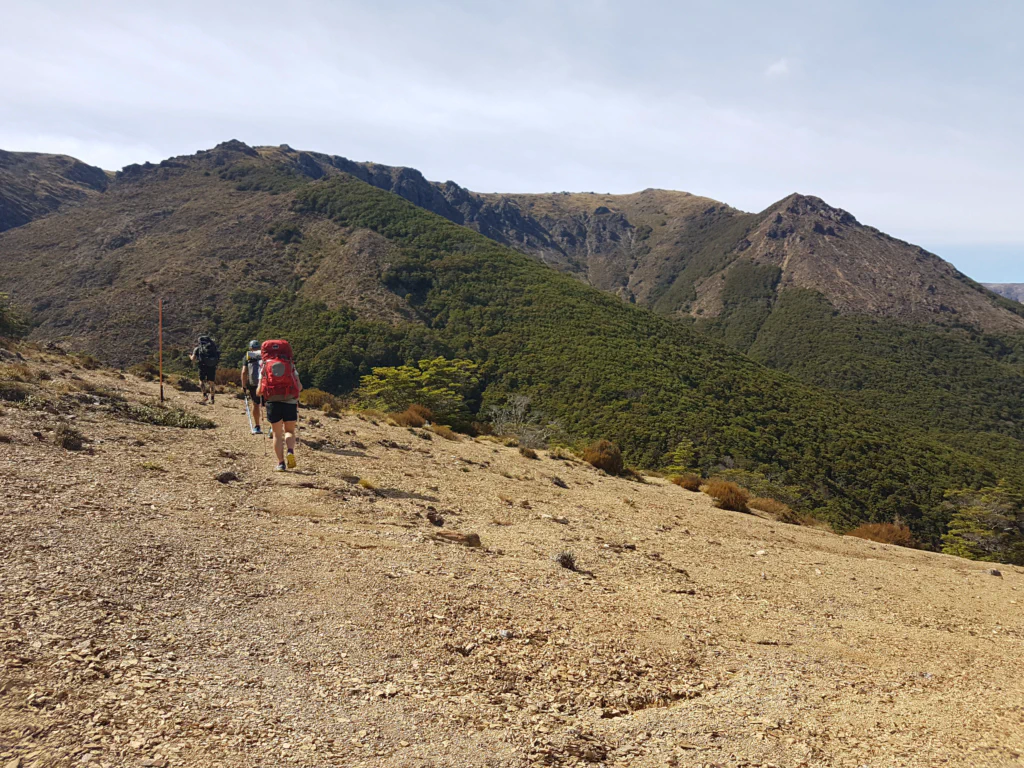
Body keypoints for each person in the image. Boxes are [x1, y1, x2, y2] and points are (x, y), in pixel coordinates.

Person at [256, 339, 302, 471]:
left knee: (277, 434)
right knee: (289, 431)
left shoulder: (264, 365)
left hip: (272, 402)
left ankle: (281, 463)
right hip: (290, 401)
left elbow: (259, 391)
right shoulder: (290, 365)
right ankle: (290, 451)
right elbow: (299, 386)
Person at [240, 340, 263, 435]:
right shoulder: (265, 355)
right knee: (269, 405)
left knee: (255, 404)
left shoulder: (248, 356)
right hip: (266, 383)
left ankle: (257, 426)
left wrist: (244, 385)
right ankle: (272, 428)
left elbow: (244, 372)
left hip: (254, 384)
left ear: (250, 348)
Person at [189, 335, 220, 404]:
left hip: (202, 366)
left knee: (201, 381)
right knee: (211, 383)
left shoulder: (198, 348)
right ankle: (212, 399)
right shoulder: (213, 348)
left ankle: (204, 395)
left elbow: (193, 359)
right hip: (212, 367)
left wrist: (190, 356)